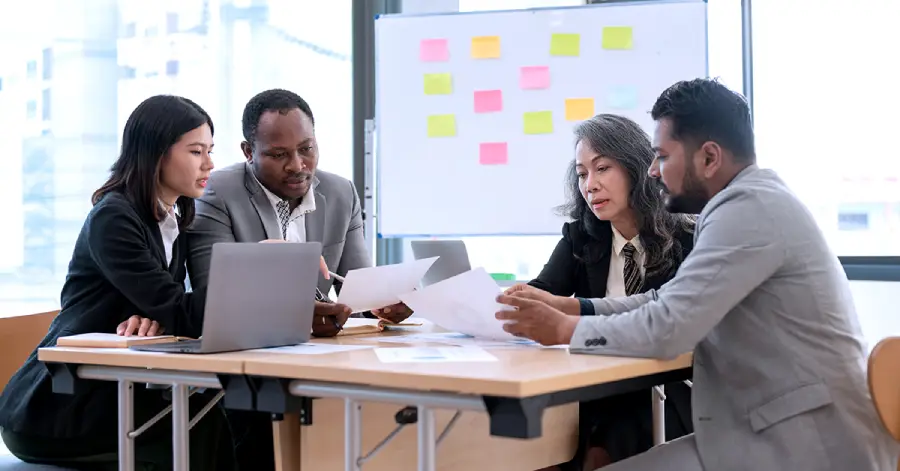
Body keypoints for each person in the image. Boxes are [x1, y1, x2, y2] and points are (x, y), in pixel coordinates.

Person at [495, 78, 898, 471]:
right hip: (757, 431)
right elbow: (662, 301)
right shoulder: (742, 205)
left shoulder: (748, 212)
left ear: (708, 157)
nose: (652, 170)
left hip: (804, 446)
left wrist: (566, 330)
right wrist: (572, 308)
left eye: (663, 156)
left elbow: (669, 326)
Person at [0, 95, 234, 470]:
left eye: (209, 150)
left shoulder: (175, 215)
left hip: (118, 389)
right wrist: (243, 279)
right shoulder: (114, 217)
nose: (209, 163)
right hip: (60, 407)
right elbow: (180, 310)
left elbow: (168, 307)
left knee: (233, 415)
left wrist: (156, 313)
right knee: (210, 426)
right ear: (156, 153)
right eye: (195, 151)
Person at [521, 114, 695, 470]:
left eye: (602, 169)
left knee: (599, 447)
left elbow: (665, 319)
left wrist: (568, 312)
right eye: (583, 174)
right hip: (593, 382)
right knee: (530, 432)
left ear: (635, 167)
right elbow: (541, 292)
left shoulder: (688, 239)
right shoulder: (581, 236)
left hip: (662, 388)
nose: (591, 185)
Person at [186, 88, 410, 325]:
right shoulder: (215, 192)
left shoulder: (341, 194)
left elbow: (361, 298)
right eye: (279, 154)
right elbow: (212, 298)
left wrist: (386, 305)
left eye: (306, 149)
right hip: (245, 350)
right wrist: (294, 315)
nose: (297, 165)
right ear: (249, 152)